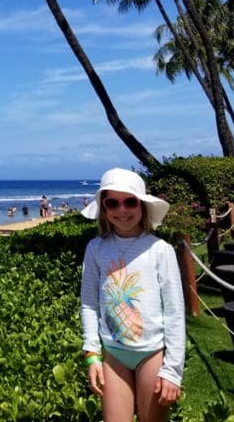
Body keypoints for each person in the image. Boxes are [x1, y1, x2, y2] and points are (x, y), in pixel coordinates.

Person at [79, 168, 184, 422]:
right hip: (114, 354)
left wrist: (172, 370)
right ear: (103, 208)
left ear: (142, 205)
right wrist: (91, 353)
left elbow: (174, 313)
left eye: (130, 202)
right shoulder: (95, 249)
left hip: (152, 353)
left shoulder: (160, 250)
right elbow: (89, 305)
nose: (122, 210)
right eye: (112, 202)